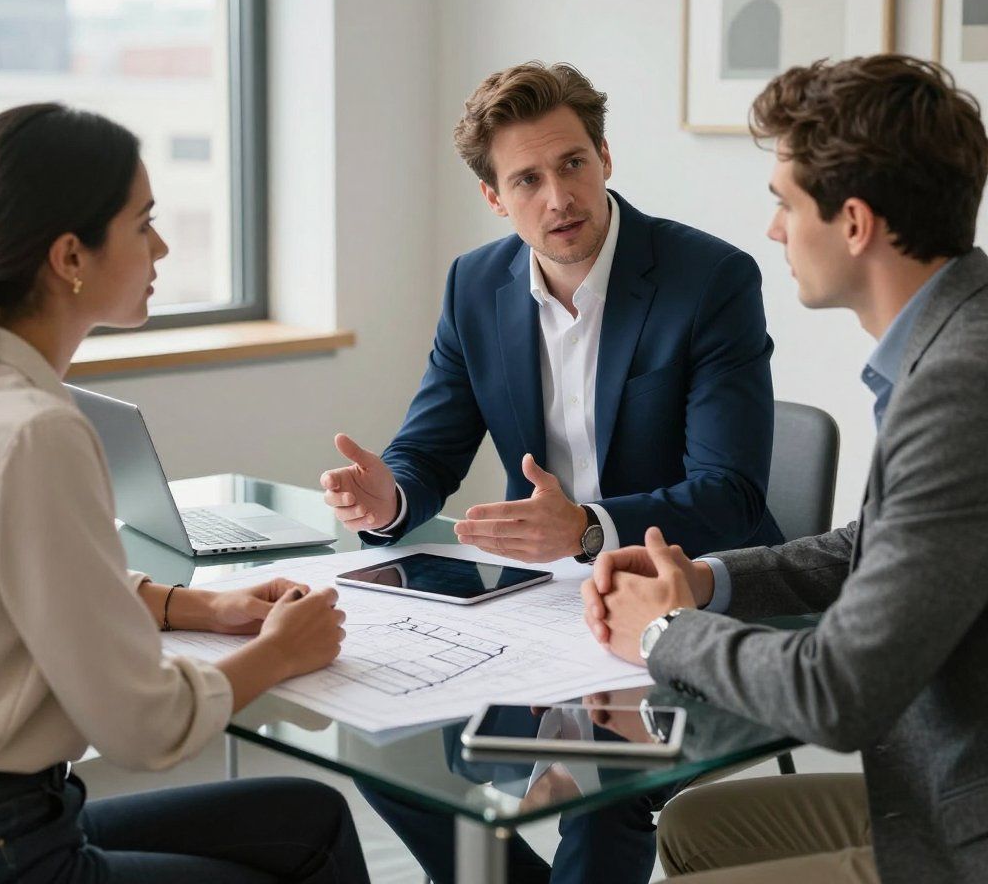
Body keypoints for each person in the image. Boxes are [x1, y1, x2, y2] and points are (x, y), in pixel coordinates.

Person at [582, 55, 988, 884]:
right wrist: (702, 582)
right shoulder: (954, 336)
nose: (773, 230)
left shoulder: (960, 387)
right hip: (933, 786)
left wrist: (665, 633)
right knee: (692, 828)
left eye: (785, 203)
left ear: (855, 223)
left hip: (962, 831)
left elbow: (838, 693)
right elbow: (866, 549)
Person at [0, 103, 370, 883]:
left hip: (10, 824)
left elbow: (25, 589)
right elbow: (143, 727)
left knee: (308, 819)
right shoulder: (36, 432)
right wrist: (277, 653)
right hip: (8, 851)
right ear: (69, 257)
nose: (163, 246)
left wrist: (198, 606)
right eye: (143, 223)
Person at [321, 61, 782, 567]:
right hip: (551, 591)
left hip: (699, 579)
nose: (559, 199)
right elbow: (429, 452)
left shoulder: (710, 280)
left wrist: (587, 529)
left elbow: (730, 495)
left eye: (572, 164)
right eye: (527, 181)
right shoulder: (474, 287)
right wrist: (390, 502)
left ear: (604, 158)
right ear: (494, 197)